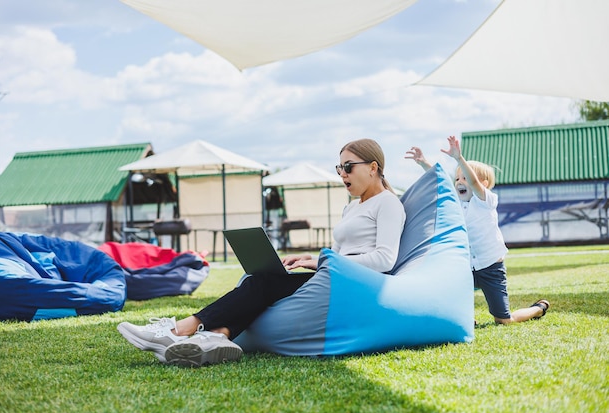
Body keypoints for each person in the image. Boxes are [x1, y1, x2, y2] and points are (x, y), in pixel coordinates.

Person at [118, 138, 406, 367]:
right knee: (256, 277)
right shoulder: (352, 207)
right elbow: (342, 252)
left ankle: (178, 330)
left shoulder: (388, 204)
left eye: (348, 167)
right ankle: (218, 337)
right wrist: (313, 260)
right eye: (339, 168)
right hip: (334, 275)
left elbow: (385, 259)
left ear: (372, 167)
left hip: (355, 285)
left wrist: (323, 260)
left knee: (261, 283)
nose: (342, 173)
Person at [405, 136, 550, 325]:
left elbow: (474, 183)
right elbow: (442, 182)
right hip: (466, 267)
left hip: (491, 266)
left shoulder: (486, 201)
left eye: (464, 177)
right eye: (457, 178)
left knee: (504, 320)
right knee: (448, 293)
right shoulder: (456, 202)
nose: (459, 182)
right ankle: (464, 317)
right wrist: (424, 163)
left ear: (484, 183)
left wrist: (459, 159)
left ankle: (537, 309)